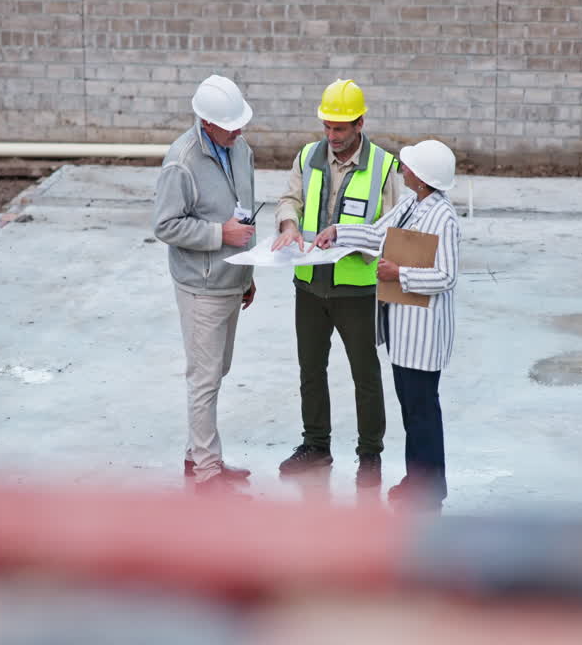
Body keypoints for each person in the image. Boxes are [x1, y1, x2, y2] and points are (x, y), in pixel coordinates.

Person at [311, 140, 460, 513]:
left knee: (423, 412)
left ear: (423, 178)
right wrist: (338, 232)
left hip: (424, 335)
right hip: (403, 332)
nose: (402, 169)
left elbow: (446, 276)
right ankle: (417, 480)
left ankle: (429, 489)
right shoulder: (411, 205)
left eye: (408, 166)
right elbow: (378, 234)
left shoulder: (444, 218)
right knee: (411, 411)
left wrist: (400, 273)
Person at [270, 79, 399, 487]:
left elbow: (392, 226)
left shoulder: (383, 166)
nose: (331, 136)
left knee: (365, 374)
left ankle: (370, 456)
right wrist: (289, 226)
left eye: (339, 129)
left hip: (356, 289)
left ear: (359, 123)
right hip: (309, 283)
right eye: (327, 126)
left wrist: (356, 242)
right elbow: (290, 199)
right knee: (311, 368)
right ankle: (316, 446)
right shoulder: (308, 156)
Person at [152, 74, 258, 498]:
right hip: (201, 285)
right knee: (205, 377)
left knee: (216, 372)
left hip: (232, 278)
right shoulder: (182, 161)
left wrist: (248, 274)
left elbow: (245, 213)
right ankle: (206, 474)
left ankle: (199, 457)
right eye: (230, 125)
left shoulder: (240, 147)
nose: (238, 130)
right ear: (205, 122)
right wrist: (220, 236)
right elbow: (165, 224)